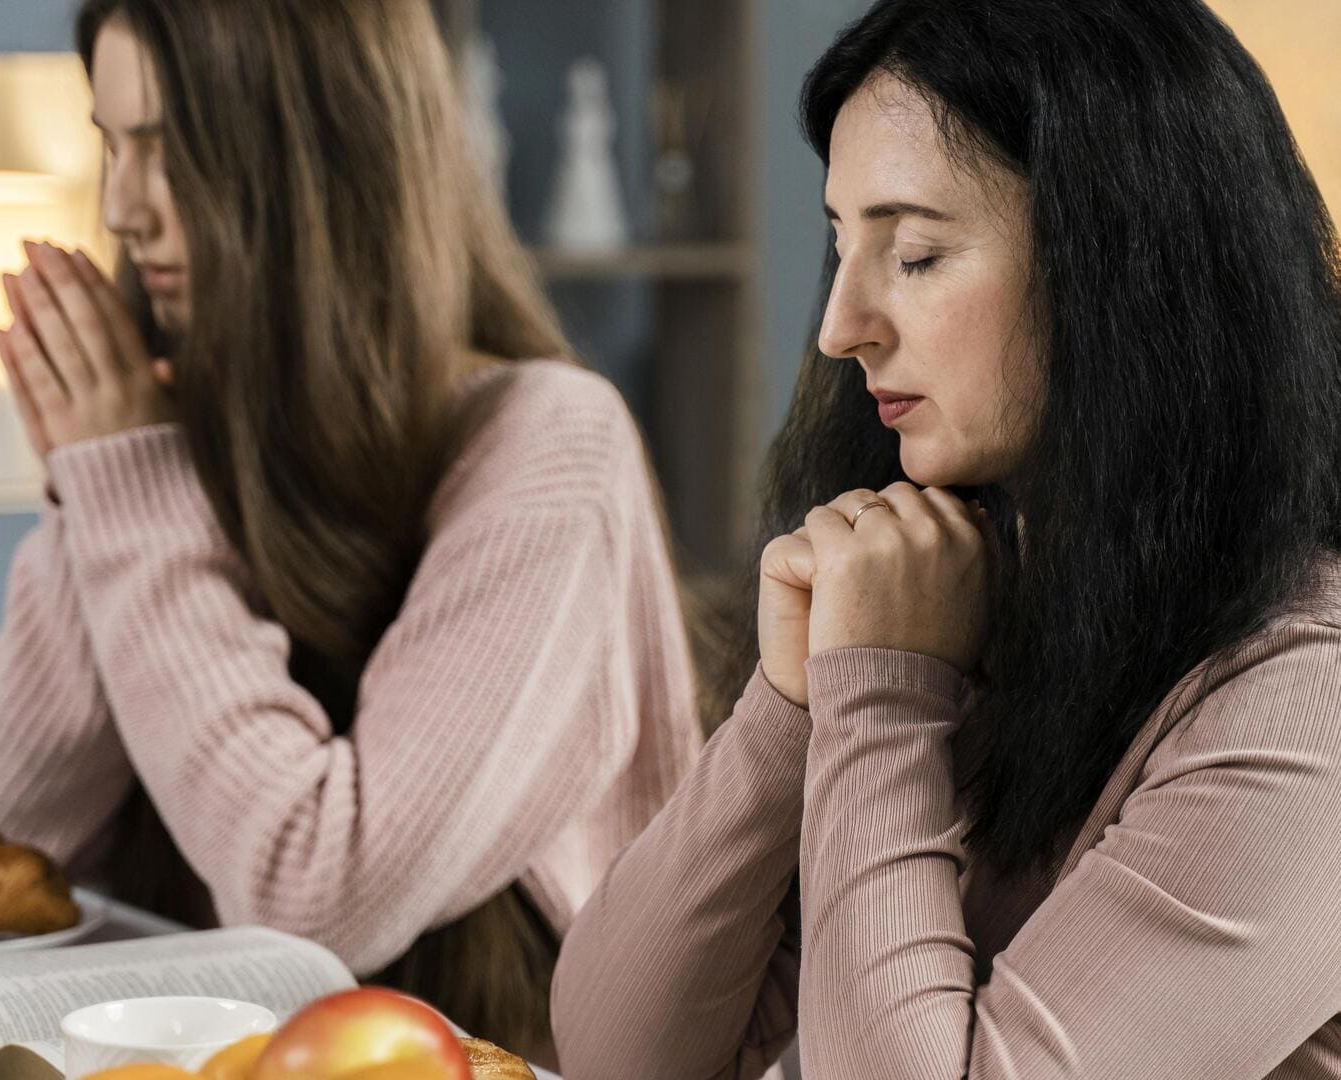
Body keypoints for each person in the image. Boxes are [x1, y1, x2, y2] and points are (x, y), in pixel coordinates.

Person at [549, 0, 1341, 1075]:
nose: (838, 326)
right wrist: (783, 715)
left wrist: (879, 692)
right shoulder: (963, 580)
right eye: (839, 244)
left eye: (914, 254)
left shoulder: (1311, 698)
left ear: (1122, 268)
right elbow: (616, 1057)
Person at [0, 0, 701, 1061]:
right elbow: (6, 833)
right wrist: (101, 487)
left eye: (168, 150)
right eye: (110, 145)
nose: (120, 208)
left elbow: (315, 896)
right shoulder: (182, 434)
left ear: (314, 160)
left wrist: (132, 494)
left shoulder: (550, 449)